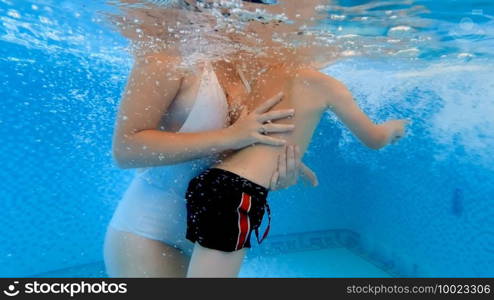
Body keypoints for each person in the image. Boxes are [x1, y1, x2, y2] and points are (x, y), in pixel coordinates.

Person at [182, 5, 410, 277]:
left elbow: (265, 135)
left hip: (212, 182)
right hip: (238, 193)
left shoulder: (264, 73)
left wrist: (292, 160)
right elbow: (374, 139)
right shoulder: (327, 85)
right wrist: (393, 129)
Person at [103, 0, 317, 278]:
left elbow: (241, 149)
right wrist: (230, 136)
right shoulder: (166, 57)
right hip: (149, 231)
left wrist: (275, 166)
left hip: (211, 232)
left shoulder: (247, 65)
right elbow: (126, 149)